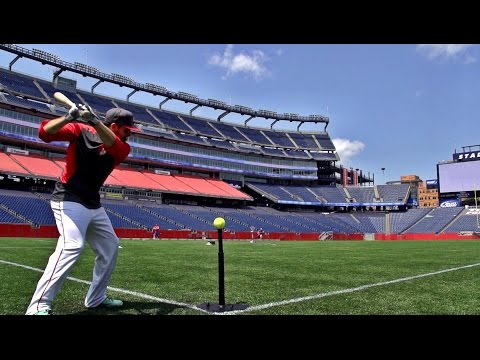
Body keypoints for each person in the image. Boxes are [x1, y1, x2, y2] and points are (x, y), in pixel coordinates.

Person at [25, 105, 140, 315]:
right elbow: (45, 133)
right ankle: (38, 306)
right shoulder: (79, 129)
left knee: (110, 246)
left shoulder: (122, 147)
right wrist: (69, 116)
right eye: (127, 130)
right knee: (72, 246)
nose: (130, 134)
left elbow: (111, 143)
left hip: (92, 203)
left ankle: (96, 298)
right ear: (114, 126)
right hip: (68, 197)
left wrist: (94, 120)